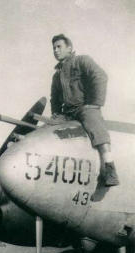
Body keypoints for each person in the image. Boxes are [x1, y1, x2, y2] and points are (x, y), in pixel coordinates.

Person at [50, 34, 119, 186]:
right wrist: (56, 114)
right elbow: (54, 99)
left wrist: (95, 103)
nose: (55, 50)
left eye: (59, 47)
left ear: (69, 48)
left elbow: (100, 76)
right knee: (47, 130)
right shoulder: (56, 76)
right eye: (54, 48)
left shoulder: (82, 61)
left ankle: (109, 169)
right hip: (67, 113)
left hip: (84, 108)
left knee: (95, 125)